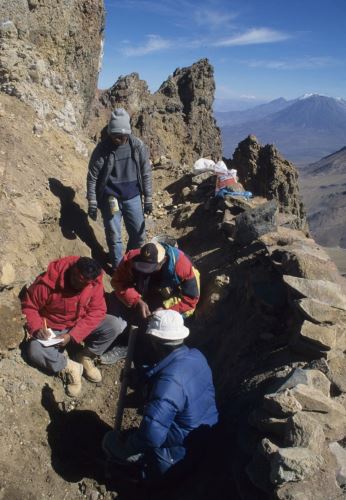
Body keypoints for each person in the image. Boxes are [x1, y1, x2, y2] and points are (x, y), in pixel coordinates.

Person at [102, 309, 218, 482]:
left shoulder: (169, 383)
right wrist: (144, 378)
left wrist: (124, 446)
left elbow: (151, 436)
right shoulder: (196, 356)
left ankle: (139, 474)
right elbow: (172, 381)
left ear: (155, 341)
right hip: (203, 441)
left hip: (175, 459)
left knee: (110, 441)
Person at [21, 256, 119, 397]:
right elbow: (29, 307)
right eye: (75, 279)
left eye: (82, 284)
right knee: (35, 350)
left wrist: (73, 335)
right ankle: (70, 367)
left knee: (114, 325)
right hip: (53, 327)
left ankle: (84, 356)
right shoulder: (49, 282)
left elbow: (97, 311)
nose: (77, 284)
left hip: (79, 323)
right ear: (73, 270)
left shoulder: (94, 282)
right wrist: (37, 328)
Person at [99, 240, 200, 365]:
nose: (146, 270)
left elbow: (191, 299)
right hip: (142, 292)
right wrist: (137, 300)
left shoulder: (183, 266)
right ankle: (125, 340)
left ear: (163, 261)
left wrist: (165, 310)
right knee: (119, 308)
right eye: (142, 266)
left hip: (170, 299)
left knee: (155, 321)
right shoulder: (131, 258)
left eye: (150, 267)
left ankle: (146, 346)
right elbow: (117, 282)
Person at [87, 108, 152, 271]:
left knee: (138, 235)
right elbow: (92, 176)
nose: (120, 139)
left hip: (133, 196)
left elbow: (146, 172)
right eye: (116, 136)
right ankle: (118, 269)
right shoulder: (103, 149)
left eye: (123, 136)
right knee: (114, 236)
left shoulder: (136, 146)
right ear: (110, 133)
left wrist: (149, 199)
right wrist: (93, 202)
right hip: (111, 198)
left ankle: (130, 262)